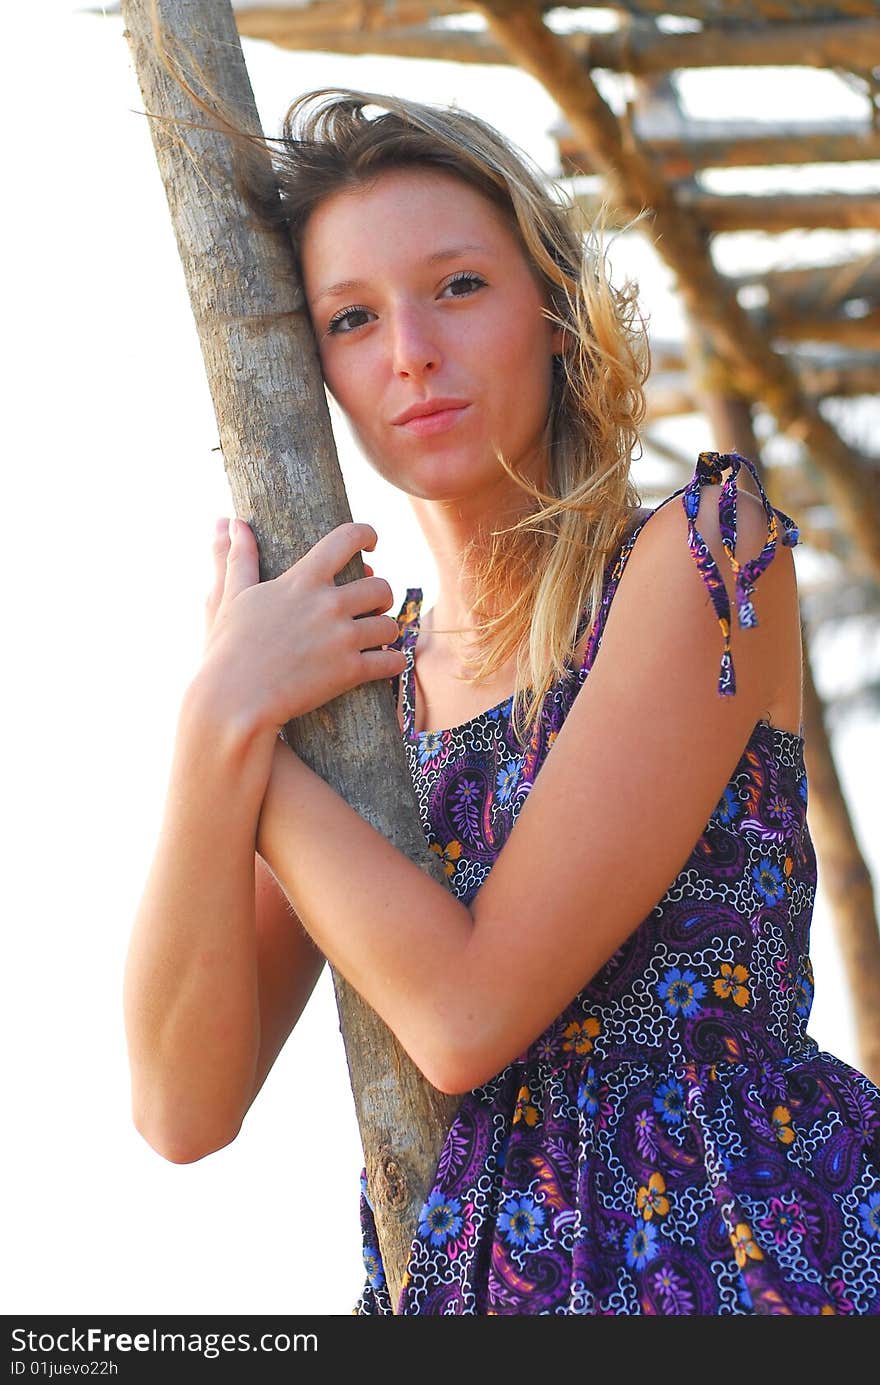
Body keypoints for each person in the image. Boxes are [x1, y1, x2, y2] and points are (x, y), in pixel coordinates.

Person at [123, 87, 880, 1316]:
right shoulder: (357, 698)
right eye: (353, 318)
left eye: (458, 286)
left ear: (552, 308)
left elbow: (466, 1010)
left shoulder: (705, 555)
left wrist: (245, 737)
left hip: (741, 1256)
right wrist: (217, 721)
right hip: (474, 1287)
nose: (409, 348)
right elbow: (179, 1105)